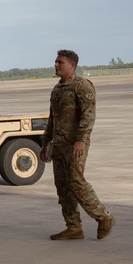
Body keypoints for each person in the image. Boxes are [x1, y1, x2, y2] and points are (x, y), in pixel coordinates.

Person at [40, 50, 116, 240]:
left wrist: (81, 139)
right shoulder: (58, 89)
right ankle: (73, 227)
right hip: (58, 145)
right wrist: (45, 142)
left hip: (75, 145)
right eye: (56, 62)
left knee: (76, 181)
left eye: (60, 62)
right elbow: (53, 119)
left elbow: (88, 116)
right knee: (62, 186)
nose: (56, 65)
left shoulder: (82, 86)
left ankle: (104, 217)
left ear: (72, 65)